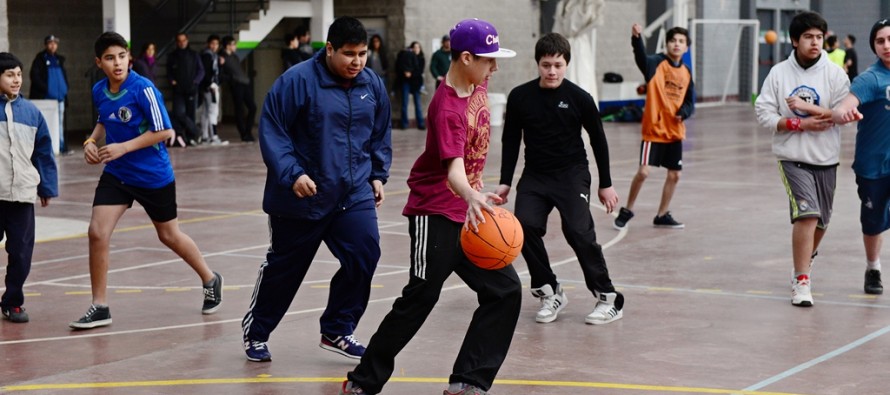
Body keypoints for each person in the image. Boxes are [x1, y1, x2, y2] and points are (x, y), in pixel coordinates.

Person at [342, 18, 520, 395]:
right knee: (421, 296)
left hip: (469, 215)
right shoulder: (446, 109)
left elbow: (466, 162)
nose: (495, 67)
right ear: (467, 58)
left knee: (505, 291)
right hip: (435, 213)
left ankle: (467, 382)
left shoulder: (476, 79)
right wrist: (471, 192)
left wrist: (473, 193)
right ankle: (363, 380)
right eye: (489, 60)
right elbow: (453, 171)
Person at [241, 16, 391, 363]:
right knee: (284, 270)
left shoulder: (372, 84)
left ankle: (338, 328)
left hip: (353, 193)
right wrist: (292, 174)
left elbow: (379, 134)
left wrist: (378, 175)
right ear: (329, 49)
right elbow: (273, 130)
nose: (357, 62)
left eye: (363, 54)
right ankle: (257, 331)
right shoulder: (297, 82)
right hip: (301, 197)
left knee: (364, 254)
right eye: (349, 54)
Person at [69, 32, 223, 330]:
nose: (117, 63)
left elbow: (165, 132)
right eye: (110, 58)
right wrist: (90, 141)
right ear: (98, 62)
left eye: (122, 56)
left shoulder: (144, 88)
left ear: (129, 58)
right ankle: (100, 306)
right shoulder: (100, 89)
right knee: (97, 232)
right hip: (117, 174)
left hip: (152, 175)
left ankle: (210, 277)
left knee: (168, 235)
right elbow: (104, 119)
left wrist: (123, 147)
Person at [495, 32, 624, 326]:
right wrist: (505, 181)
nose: (551, 71)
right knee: (523, 227)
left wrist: (606, 183)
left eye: (557, 65)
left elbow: (598, 141)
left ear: (566, 64)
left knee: (578, 231)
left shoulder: (580, 98)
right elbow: (511, 140)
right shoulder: (520, 97)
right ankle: (549, 291)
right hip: (536, 175)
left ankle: (608, 297)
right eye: (545, 65)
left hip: (571, 173)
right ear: (537, 64)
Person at [754, 11, 849, 307]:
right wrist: (796, 124)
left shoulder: (834, 73)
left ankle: (806, 256)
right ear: (795, 41)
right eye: (808, 37)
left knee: (822, 222)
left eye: (819, 37)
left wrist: (810, 109)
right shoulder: (780, 73)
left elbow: (842, 114)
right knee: (807, 215)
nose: (815, 43)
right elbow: (763, 113)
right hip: (792, 157)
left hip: (826, 158)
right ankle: (801, 280)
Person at [828, 18, 890, 296]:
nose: (887, 46)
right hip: (873, 165)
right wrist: (844, 114)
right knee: (873, 221)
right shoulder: (870, 79)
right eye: (880, 41)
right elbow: (844, 107)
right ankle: (873, 267)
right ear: (874, 46)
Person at [613, 23, 694, 230]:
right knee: (644, 172)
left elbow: (690, 103)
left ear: (686, 48)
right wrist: (637, 39)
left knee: (675, 175)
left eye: (681, 41)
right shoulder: (655, 64)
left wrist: (683, 112)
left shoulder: (686, 73)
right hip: (654, 131)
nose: (677, 44)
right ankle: (627, 210)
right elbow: (640, 57)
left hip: (675, 132)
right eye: (673, 40)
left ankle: (662, 214)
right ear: (667, 44)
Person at [0, 52, 58, 323]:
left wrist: (46, 186)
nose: (16, 80)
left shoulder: (32, 113)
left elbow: (44, 152)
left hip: (22, 194)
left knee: (21, 254)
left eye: (19, 75)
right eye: (10, 74)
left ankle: (13, 302)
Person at [29, 34, 69, 154]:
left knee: (60, 123)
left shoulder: (59, 59)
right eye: (50, 43)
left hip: (60, 98)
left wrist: (65, 89)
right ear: (46, 44)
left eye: (55, 43)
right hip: (46, 98)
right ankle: (47, 147)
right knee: (46, 123)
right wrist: (46, 89)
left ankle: (60, 146)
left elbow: (63, 77)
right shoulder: (40, 58)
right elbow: (34, 76)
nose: (53, 45)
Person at [166, 32, 204, 147]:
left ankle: (190, 138)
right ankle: (196, 132)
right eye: (179, 41)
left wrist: (195, 82)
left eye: (184, 40)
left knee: (191, 114)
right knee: (178, 113)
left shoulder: (194, 55)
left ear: (187, 41)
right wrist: (172, 81)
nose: (182, 43)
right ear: (177, 42)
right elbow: (169, 72)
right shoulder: (172, 56)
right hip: (178, 90)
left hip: (191, 89)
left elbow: (201, 71)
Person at [219, 35, 257, 142]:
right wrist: (232, 78)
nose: (235, 46)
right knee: (239, 110)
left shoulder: (235, 57)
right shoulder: (221, 57)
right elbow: (221, 75)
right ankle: (244, 134)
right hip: (236, 85)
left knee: (252, 108)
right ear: (227, 46)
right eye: (233, 44)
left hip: (244, 84)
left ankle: (248, 132)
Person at [198, 35, 226, 145]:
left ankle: (205, 136)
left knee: (205, 111)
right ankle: (213, 136)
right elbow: (207, 72)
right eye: (212, 43)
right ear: (208, 44)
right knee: (213, 111)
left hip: (207, 87)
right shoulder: (208, 56)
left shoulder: (214, 56)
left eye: (216, 44)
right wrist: (210, 85)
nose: (214, 46)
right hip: (210, 88)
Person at [395, 41, 425, 129]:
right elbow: (399, 66)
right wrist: (405, 72)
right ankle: (404, 124)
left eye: (418, 47)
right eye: (415, 47)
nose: (416, 49)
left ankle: (420, 124)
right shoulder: (405, 56)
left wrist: (411, 73)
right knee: (404, 103)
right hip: (406, 81)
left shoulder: (421, 58)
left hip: (416, 83)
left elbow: (420, 71)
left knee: (418, 104)